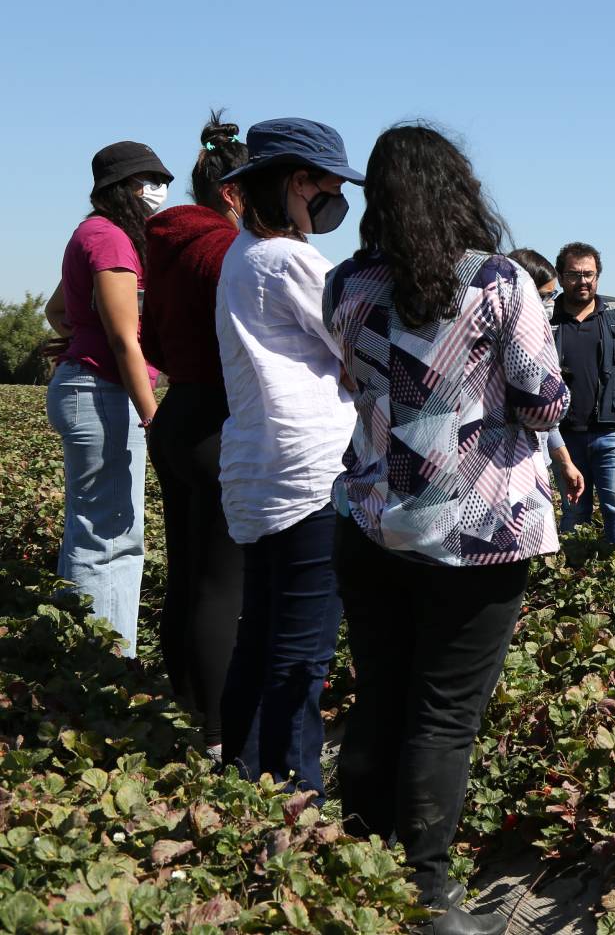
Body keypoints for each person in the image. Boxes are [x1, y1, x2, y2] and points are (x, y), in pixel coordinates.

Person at [326, 124, 571, 934]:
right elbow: (541, 400)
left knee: (382, 694)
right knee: (443, 715)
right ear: (460, 190)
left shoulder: (345, 285)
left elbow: (352, 381)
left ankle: (359, 861)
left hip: (373, 521)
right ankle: (430, 893)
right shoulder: (500, 283)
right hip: (479, 529)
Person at [213, 118, 362, 796]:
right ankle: (294, 793)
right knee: (302, 651)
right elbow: (361, 348)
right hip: (309, 470)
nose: (333, 202)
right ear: (296, 182)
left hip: (257, 465)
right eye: (327, 188)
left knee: (262, 632)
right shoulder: (293, 261)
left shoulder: (241, 256)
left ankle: (241, 775)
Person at [140, 112, 247, 759]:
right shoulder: (227, 251)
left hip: (176, 413)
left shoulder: (171, 242)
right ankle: (217, 733)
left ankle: (184, 697)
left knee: (186, 570)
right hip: (220, 421)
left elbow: (149, 337)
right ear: (237, 191)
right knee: (222, 584)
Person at [44, 140, 172, 658]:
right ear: (122, 188)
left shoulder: (91, 233)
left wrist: (79, 341)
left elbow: (58, 311)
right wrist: (152, 415)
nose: (159, 191)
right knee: (109, 540)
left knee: (96, 532)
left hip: (86, 387)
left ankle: (75, 652)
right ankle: (103, 665)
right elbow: (125, 341)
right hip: (103, 394)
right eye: (149, 181)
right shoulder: (113, 240)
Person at [551, 242, 615, 550]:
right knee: (573, 511)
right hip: (564, 436)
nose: (582, 281)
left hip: (613, 432)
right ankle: (572, 576)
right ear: (560, 277)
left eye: (589, 274)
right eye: (574, 274)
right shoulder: (547, 319)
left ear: (598, 276)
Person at [507, 248, 584, 506]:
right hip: (509, 468)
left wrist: (565, 462)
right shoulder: (513, 345)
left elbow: (546, 424)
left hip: (533, 459)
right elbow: (543, 411)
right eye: (542, 296)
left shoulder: (540, 336)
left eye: (552, 295)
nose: (549, 303)